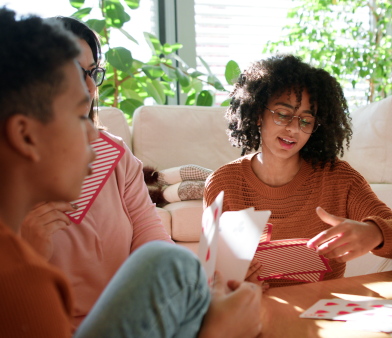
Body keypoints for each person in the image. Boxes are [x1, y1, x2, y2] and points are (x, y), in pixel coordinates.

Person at [0, 8, 261, 337]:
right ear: (25, 135)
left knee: (171, 263)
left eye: (93, 74)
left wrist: (210, 283)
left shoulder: (114, 155)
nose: (95, 134)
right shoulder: (19, 278)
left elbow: (154, 243)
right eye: (76, 117)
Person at [203, 55, 392, 288]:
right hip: (250, 310)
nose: (294, 128)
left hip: (322, 309)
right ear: (256, 114)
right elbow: (209, 273)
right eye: (283, 114)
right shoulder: (223, 183)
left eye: (306, 120)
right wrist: (232, 282)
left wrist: (375, 232)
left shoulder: (337, 178)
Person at [18, 16, 173, 328]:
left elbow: (149, 232)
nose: (89, 87)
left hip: (126, 319)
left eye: (92, 73)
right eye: (75, 72)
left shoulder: (114, 155)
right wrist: (25, 253)